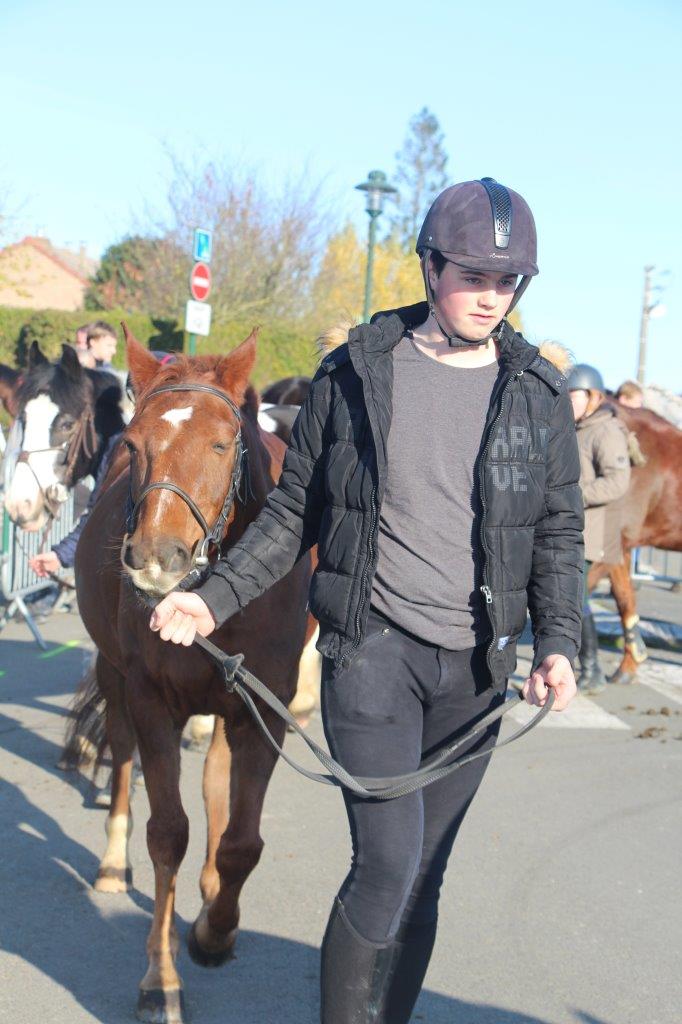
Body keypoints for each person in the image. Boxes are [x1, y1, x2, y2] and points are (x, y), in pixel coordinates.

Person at [150, 177, 584, 1023]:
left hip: (478, 670)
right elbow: (290, 514)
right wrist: (209, 596)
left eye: (506, 282)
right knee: (386, 864)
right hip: (373, 651)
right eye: (471, 275)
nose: (489, 297)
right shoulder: (354, 373)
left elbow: (559, 536)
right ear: (429, 265)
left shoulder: (536, 394)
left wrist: (561, 641)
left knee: (424, 878)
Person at [568, 364, 631, 694]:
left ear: (592, 397)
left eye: (574, 395)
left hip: (593, 532)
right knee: (574, 600)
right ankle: (584, 666)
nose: (569, 401)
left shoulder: (606, 431)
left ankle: (591, 669)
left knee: (576, 600)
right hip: (576, 528)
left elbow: (618, 481)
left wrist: (574, 494)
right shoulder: (581, 428)